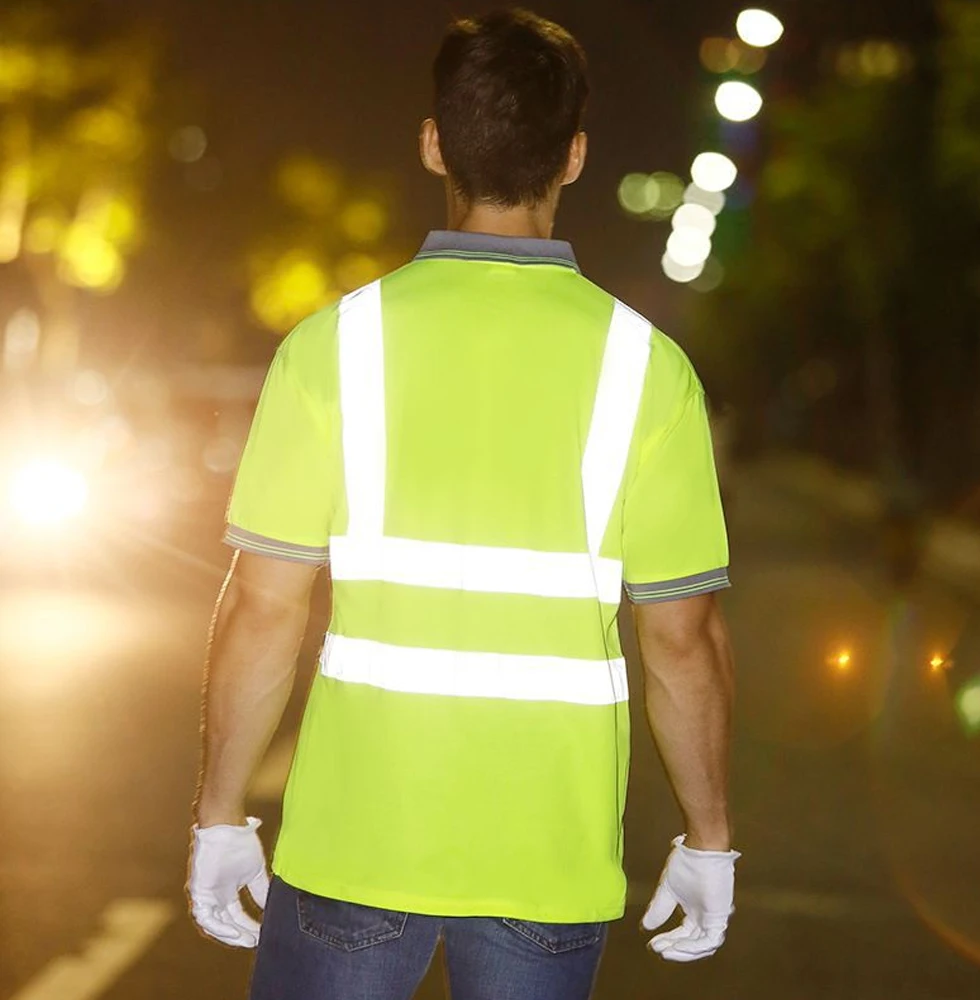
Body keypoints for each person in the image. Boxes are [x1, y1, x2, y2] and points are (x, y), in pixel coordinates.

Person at [187, 9, 739, 1000]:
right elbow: (682, 638)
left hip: (358, 839)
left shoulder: (331, 347)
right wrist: (709, 839)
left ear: (434, 141)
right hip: (545, 855)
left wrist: (221, 814)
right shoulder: (647, 372)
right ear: (572, 156)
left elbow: (264, 606)